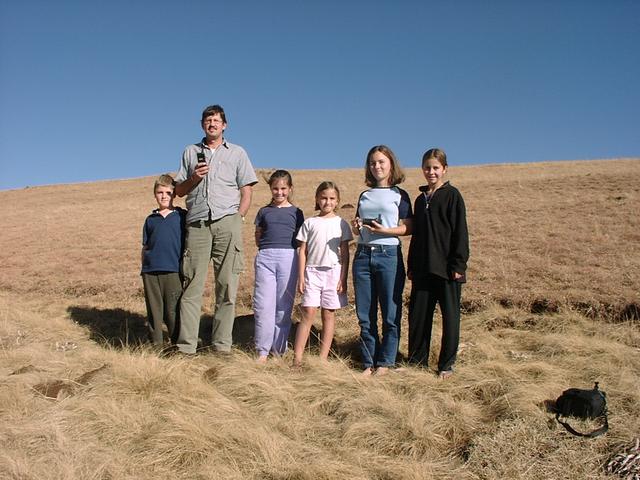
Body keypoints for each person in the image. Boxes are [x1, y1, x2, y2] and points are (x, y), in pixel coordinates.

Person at [173, 104, 258, 354]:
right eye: (208, 120)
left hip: (227, 222)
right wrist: (194, 178)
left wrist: (239, 217)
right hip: (198, 224)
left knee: (227, 287)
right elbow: (178, 191)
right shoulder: (190, 152)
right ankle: (186, 346)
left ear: (225, 125)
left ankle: (222, 346)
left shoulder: (238, 153)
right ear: (202, 124)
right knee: (192, 286)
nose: (212, 124)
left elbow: (247, 189)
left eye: (217, 120)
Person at [407, 148, 469, 379]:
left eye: (435, 168)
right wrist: (412, 265)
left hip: (446, 269)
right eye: (427, 167)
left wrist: (458, 266)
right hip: (423, 269)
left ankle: (446, 364)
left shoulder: (452, 195)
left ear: (444, 169)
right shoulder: (419, 199)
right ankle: (417, 360)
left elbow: (460, 232)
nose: (431, 172)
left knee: (450, 318)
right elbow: (417, 235)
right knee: (419, 317)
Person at [351, 145, 412, 376]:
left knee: (390, 312)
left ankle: (386, 362)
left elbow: (409, 227)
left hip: (389, 256)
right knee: (365, 314)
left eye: (381, 162)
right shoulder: (364, 195)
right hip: (363, 255)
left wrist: (386, 230)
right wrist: (357, 226)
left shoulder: (400, 195)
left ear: (391, 165)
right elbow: (359, 228)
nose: (377, 166)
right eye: (373, 162)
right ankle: (368, 362)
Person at [293, 181, 353, 367]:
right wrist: (301, 277)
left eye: (332, 198)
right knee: (308, 312)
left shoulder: (341, 223)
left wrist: (343, 278)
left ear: (337, 201)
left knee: (328, 314)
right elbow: (302, 251)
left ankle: (322, 359)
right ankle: (297, 359)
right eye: (324, 198)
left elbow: (345, 252)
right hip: (312, 272)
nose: (327, 202)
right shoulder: (310, 222)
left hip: (333, 273)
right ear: (317, 200)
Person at [253, 170, 304, 362]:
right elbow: (258, 234)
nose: (279, 192)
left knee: (283, 306)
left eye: (283, 188)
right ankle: (262, 351)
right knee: (263, 305)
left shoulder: (297, 213)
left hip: (289, 258)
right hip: (265, 257)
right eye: (275, 188)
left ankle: (278, 350)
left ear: (290, 189)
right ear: (270, 189)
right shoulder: (263, 211)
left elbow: (301, 239)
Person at [140, 174, 186, 346]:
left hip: (173, 270)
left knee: (173, 311)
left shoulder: (182, 216)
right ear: (155, 194)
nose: (164, 196)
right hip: (150, 272)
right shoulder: (150, 220)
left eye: (168, 192)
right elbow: (145, 247)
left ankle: (176, 344)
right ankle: (156, 345)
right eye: (160, 192)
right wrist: (143, 268)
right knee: (154, 310)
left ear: (174, 194)